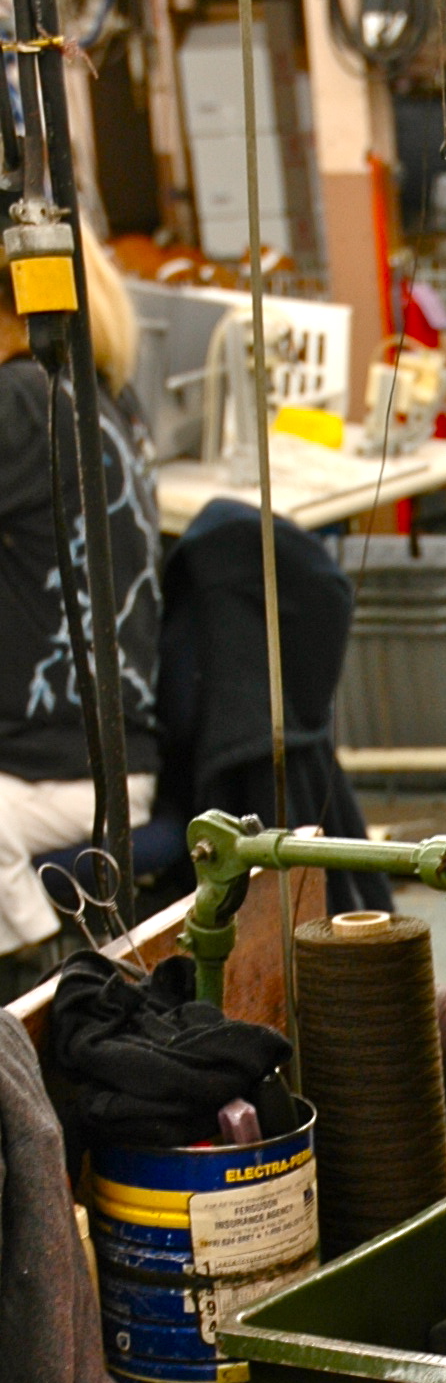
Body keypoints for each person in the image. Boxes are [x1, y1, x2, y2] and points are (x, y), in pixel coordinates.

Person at [0, 229, 160, 1002]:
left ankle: (46, 997)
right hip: (106, 752)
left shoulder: (19, 401)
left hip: (62, 769)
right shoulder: (104, 395)